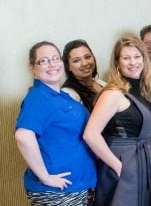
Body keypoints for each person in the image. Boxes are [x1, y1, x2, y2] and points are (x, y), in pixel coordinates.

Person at [15, 41, 96, 205]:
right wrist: (45, 177)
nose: (52, 64)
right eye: (43, 61)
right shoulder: (39, 96)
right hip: (58, 191)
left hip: (77, 184)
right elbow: (23, 136)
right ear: (33, 68)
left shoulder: (61, 96)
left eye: (55, 58)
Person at [84, 36, 151, 206]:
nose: (133, 62)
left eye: (137, 56)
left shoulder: (143, 91)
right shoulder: (113, 93)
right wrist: (118, 166)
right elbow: (91, 134)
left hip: (142, 161)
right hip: (123, 163)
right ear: (117, 63)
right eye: (126, 58)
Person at [61, 39, 106, 111]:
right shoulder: (68, 94)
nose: (84, 63)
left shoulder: (101, 83)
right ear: (68, 66)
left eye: (87, 57)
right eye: (76, 60)